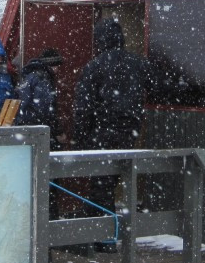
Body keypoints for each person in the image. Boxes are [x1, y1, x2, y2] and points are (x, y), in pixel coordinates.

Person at [73, 18, 155, 250]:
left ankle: (105, 237)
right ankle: (103, 234)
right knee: (111, 180)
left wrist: (80, 139)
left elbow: (83, 106)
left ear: (100, 40)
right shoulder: (137, 63)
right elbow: (161, 85)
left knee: (101, 184)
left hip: (102, 133)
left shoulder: (94, 67)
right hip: (129, 132)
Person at [15, 48, 64, 147]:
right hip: (37, 128)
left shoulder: (30, 76)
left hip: (25, 127)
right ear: (51, 65)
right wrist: (57, 132)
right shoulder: (42, 79)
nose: (57, 70)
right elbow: (45, 109)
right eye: (56, 66)